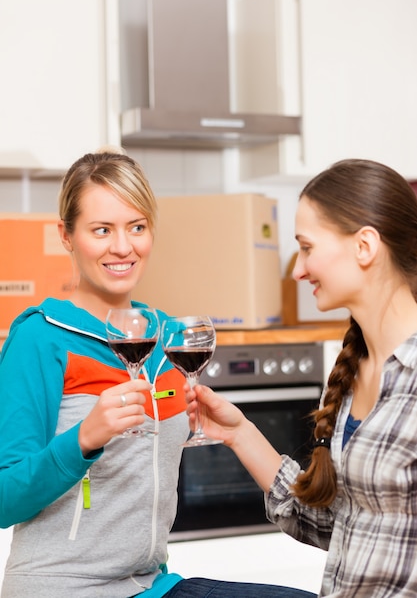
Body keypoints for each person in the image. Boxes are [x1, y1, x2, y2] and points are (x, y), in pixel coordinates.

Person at [0, 149, 316, 598]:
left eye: (137, 227)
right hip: (60, 587)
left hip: (150, 584)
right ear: (67, 236)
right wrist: (84, 438)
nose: (123, 247)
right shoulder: (41, 338)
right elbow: (3, 498)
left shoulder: (164, 339)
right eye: (102, 230)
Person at [186, 158, 417, 597]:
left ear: (365, 246)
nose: (297, 270)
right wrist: (241, 434)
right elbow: (339, 527)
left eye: (307, 247)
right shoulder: (358, 369)